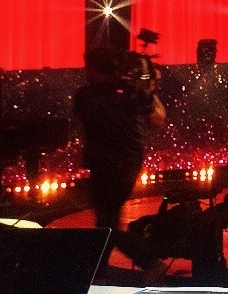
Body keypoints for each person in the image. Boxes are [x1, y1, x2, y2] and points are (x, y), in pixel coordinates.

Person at [72, 47, 167, 276]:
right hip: (126, 163)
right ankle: (100, 270)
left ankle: (148, 261)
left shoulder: (86, 95)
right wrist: (146, 88)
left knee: (107, 222)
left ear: (93, 69)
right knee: (107, 221)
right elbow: (157, 119)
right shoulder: (130, 93)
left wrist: (142, 89)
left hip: (110, 164)